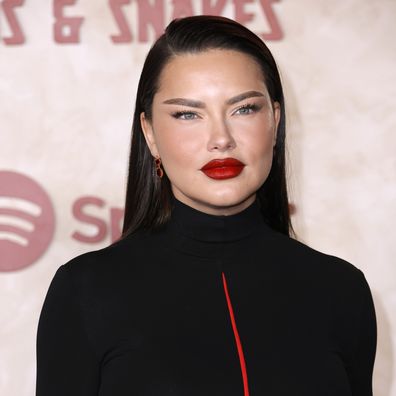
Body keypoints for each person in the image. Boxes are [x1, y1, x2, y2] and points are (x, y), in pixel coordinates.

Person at [36, 15, 376, 396]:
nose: (221, 139)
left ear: (275, 120)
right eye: (187, 114)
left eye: (244, 109)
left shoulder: (341, 290)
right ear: (150, 134)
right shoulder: (86, 292)